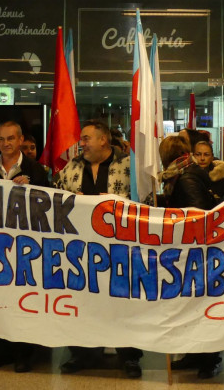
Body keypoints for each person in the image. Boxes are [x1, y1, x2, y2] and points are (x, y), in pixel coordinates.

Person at [53, 120, 141, 378]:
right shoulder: (73, 166)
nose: (81, 143)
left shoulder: (128, 165)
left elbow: (145, 201)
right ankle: (83, 354)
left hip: (121, 248)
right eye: (82, 139)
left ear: (103, 140)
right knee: (83, 301)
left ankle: (130, 356)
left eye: (86, 138)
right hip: (80, 249)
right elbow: (56, 195)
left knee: (123, 303)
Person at [0, 122, 48, 373]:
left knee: (23, 300)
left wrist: (31, 188)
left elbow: (48, 202)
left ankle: (24, 354)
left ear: (20, 141)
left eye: (11, 139)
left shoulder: (36, 170)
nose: (6, 143)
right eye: (1, 139)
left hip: (25, 245)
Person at [160, 136, 222, 379]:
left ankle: (209, 359)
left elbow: (198, 214)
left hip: (196, 249)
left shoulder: (185, 177)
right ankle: (195, 354)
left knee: (202, 306)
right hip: (190, 249)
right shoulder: (184, 172)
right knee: (192, 306)